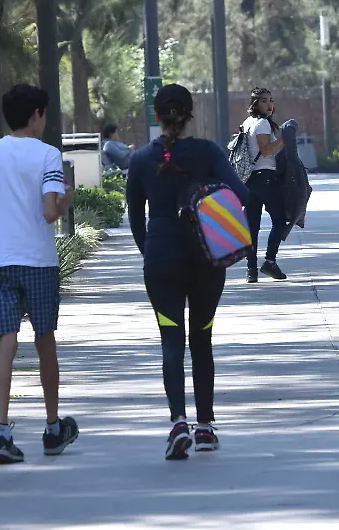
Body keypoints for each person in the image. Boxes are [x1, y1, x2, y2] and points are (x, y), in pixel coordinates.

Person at [126, 84, 250, 460]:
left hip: (161, 261)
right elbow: (241, 196)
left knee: (170, 341)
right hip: (206, 259)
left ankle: (178, 421)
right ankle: (206, 427)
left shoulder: (141, 160)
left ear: (157, 116)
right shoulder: (209, 152)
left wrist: (150, 252)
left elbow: (135, 218)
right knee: (202, 340)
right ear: (190, 113)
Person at [0, 83, 78, 465]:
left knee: (6, 343)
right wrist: (67, 200)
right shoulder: (47, 155)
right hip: (39, 262)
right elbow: (49, 212)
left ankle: (1, 430)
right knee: (45, 341)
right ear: (36, 115)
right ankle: (51, 426)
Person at [241, 87, 292, 283]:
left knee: (251, 226)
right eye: (264, 101)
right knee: (279, 221)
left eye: (271, 100)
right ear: (255, 104)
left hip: (249, 180)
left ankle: (251, 270)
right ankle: (269, 261)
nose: (270, 104)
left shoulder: (247, 123)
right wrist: (283, 139)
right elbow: (266, 151)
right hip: (265, 178)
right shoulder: (261, 124)